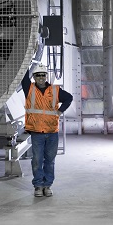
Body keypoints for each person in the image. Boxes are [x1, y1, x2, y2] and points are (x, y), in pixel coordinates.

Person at [21, 63, 73, 197]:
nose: (41, 78)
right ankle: (38, 186)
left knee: (50, 160)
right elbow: (23, 76)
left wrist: (60, 111)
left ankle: (47, 185)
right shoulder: (29, 89)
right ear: (34, 77)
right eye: (38, 75)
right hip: (37, 132)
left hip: (51, 132)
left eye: (43, 75)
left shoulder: (55, 91)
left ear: (46, 76)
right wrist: (25, 58)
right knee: (37, 160)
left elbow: (69, 98)